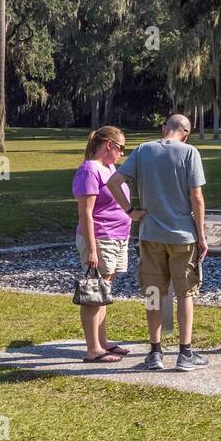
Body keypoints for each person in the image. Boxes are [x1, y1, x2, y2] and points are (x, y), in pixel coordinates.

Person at [107, 113, 209, 371]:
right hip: (183, 236)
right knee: (186, 293)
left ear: (164, 128)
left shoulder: (143, 150)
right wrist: (202, 235)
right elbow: (196, 197)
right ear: (186, 133)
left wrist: (130, 212)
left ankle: (155, 351)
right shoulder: (189, 153)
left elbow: (113, 182)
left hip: (150, 234)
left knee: (154, 293)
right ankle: (185, 353)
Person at [73, 126, 138, 363]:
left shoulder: (109, 168)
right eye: (121, 147)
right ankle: (93, 349)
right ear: (108, 145)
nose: (122, 153)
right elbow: (86, 214)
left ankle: (102, 341)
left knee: (104, 290)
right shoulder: (89, 171)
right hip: (100, 237)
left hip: (117, 236)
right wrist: (92, 249)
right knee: (94, 292)